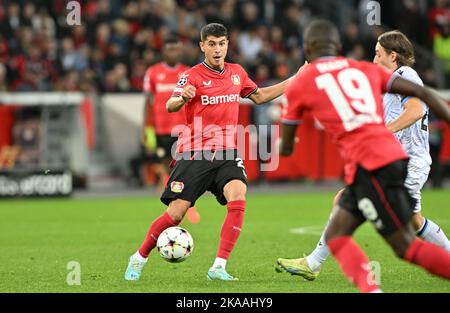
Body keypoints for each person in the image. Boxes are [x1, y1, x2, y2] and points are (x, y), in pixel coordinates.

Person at [277, 20, 450, 293]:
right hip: (385, 162)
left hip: (396, 162)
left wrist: (383, 130)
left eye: (378, 53)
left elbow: (416, 109)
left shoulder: (405, 72)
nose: (374, 57)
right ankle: (314, 264)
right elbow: (423, 97)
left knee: (405, 243)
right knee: (403, 222)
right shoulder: (364, 72)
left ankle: (327, 270)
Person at [125, 23, 299, 281]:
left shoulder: (237, 72)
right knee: (176, 214)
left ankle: (218, 266)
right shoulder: (191, 75)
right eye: (212, 44)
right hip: (196, 152)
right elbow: (171, 105)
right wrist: (182, 97)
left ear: (228, 45)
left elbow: (260, 96)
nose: (218, 49)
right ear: (202, 46)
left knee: (238, 196)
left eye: (222, 44)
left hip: (227, 151)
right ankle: (139, 257)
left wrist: (296, 79)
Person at [141, 35, 200, 224]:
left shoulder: (188, 73)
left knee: (183, 167)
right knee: (163, 166)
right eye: (170, 48)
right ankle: (172, 210)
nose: (174, 52)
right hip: (160, 128)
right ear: (163, 51)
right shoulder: (153, 73)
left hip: (184, 129)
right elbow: (147, 102)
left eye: (177, 48)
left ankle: (186, 205)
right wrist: (145, 128)